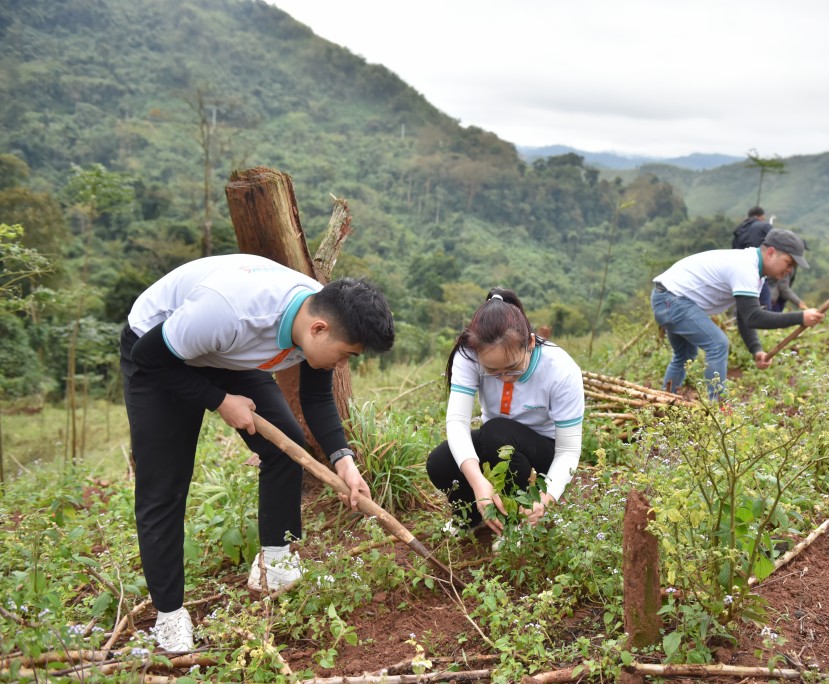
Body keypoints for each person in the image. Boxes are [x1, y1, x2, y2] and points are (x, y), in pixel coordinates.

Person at [120, 254, 395, 652]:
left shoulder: (318, 313)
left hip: (219, 351)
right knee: (164, 487)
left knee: (286, 446)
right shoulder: (230, 312)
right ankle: (169, 615)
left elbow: (316, 398)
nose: (345, 364)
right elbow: (149, 356)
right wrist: (218, 400)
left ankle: (275, 562)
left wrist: (344, 460)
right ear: (319, 329)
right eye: (347, 355)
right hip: (157, 348)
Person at [425, 288, 584, 540]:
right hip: (497, 443)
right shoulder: (468, 355)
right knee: (440, 462)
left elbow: (568, 451)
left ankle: (516, 524)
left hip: (544, 450)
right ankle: (473, 518)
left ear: (530, 343)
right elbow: (457, 422)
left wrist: (546, 498)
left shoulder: (561, 370)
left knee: (497, 431)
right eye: (492, 371)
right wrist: (478, 482)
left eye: (512, 369)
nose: (505, 378)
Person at [651, 228, 825, 400]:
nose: (790, 270)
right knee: (718, 344)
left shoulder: (754, 271)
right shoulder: (745, 267)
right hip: (672, 300)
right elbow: (754, 317)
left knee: (685, 355)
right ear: (771, 253)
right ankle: (718, 409)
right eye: (789, 263)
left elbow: (745, 316)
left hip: (667, 297)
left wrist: (755, 349)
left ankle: (665, 402)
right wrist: (800, 317)